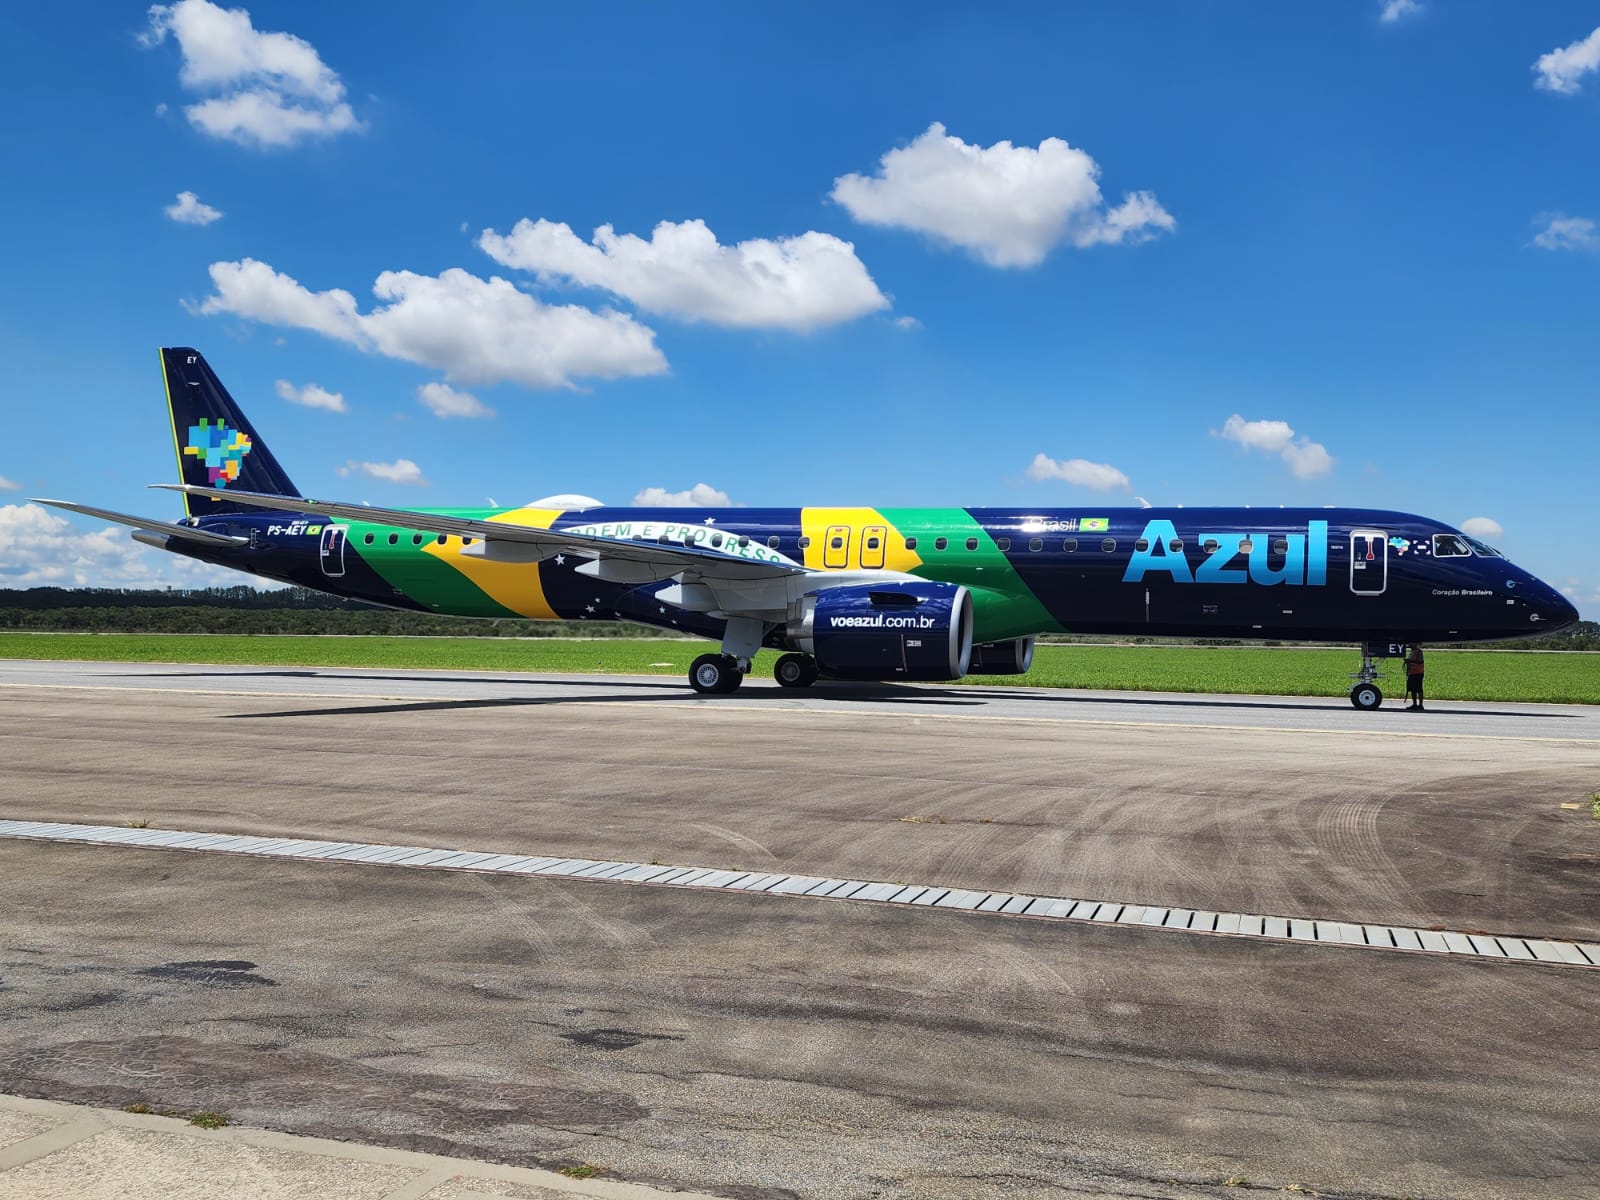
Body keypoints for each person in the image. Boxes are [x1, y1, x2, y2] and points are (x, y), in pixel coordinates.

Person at [1404, 643, 1425, 711]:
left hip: (1418, 673)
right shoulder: (1412, 652)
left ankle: (1420, 705)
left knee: (1419, 689)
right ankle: (1414, 704)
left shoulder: (1419, 652)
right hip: (1412, 672)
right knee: (1413, 689)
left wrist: (1410, 661)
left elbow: (1420, 661)